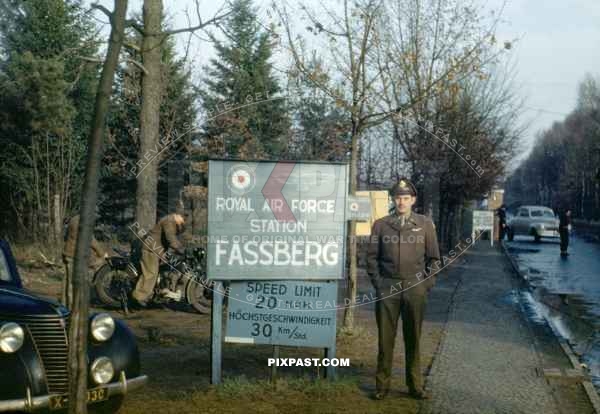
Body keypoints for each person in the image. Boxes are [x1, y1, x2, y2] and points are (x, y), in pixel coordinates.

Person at [367, 178, 441, 401]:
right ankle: (382, 386)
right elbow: (371, 258)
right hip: (388, 288)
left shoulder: (425, 224)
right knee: (385, 340)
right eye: (398, 198)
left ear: (413, 200)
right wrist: (379, 285)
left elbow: (434, 259)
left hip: (414, 288)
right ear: (393, 199)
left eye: (406, 198)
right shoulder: (381, 225)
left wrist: (426, 284)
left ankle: (415, 386)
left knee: (413, 339)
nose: (401, 202)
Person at [131, 213, 186, 307]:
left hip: (157, 250)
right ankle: (139, 297)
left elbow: (172, 237)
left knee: (164, 269)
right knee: (151, 273)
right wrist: (181, 249)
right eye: (181, 219)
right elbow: (170, 238)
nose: (182, 222)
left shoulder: (172, 223)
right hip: (151, 249)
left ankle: (159, 291)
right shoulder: (169, 221)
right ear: (176, 215)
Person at [62, 214, 106, 308]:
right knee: (74, 284)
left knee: (68, 283)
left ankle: (65, 305)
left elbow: (67, 237)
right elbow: (89, 239)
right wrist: (101, 253)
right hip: (74, 256)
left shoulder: (74, 219)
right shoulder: (81, 221)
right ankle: (72, 308)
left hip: (69, 254)